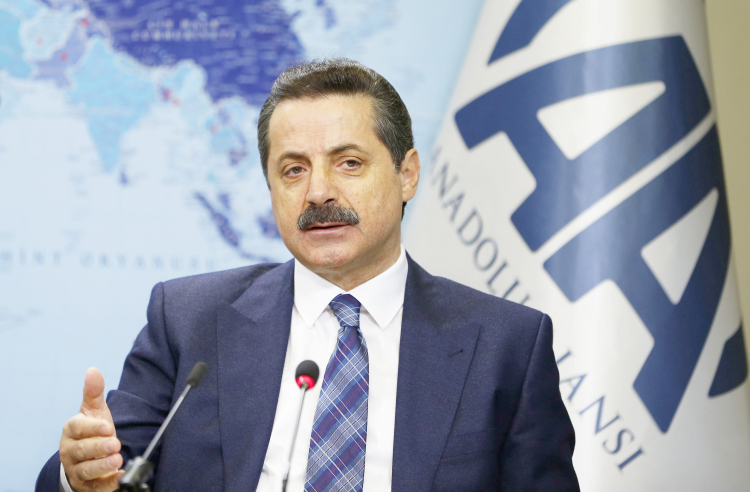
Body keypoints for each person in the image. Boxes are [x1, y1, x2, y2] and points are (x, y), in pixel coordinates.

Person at [36, 59, 579, 492]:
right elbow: (106, 469)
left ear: (407, 174)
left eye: (349, 163)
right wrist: (80, 476)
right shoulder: (187, 320)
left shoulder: (506, 344)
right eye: (293, 169)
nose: (318, 192)